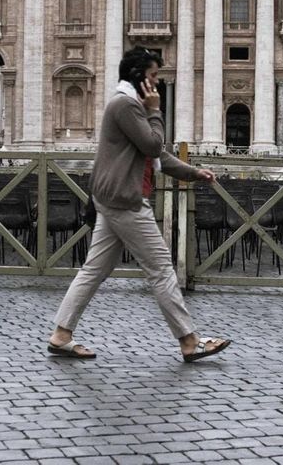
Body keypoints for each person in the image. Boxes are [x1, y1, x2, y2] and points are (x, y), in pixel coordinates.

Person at [47, 47, 231, 362]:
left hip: (112, 198)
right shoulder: (126, 105)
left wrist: (193, 173)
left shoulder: (129, 106)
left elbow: (155, 155)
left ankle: (61, 334)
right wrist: (156, 111)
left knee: (94, 270)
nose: (157, 84)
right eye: (153, 76)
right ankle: (189, 340)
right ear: (138, 77)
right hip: (126, 200)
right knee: (160, 269)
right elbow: (153, 144)